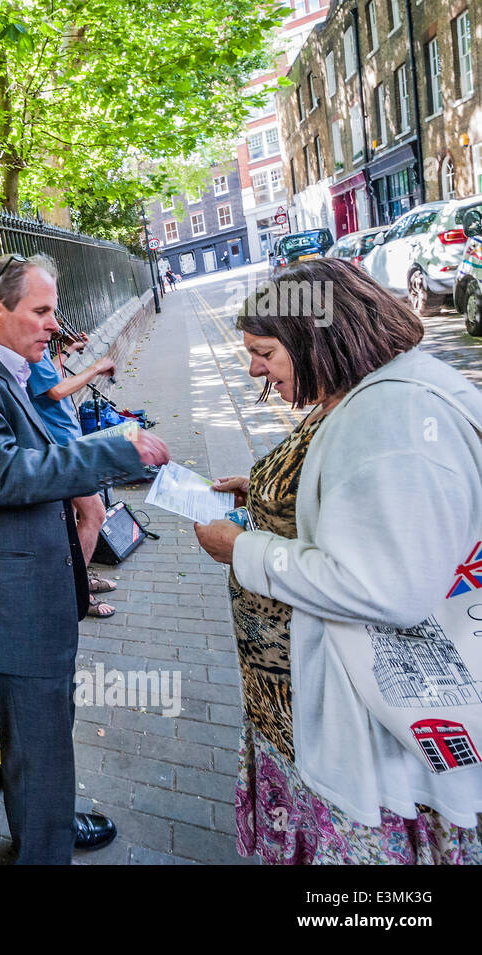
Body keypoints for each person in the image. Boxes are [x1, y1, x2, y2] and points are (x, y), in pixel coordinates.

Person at [193, 258, 482, 863]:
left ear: (318, 338)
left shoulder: (394, 422)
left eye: (265, 352)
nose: (255, 370)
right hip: (318, 699)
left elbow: (383, 584)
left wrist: (242, 548)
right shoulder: (364, 394)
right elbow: (363, 507)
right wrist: (269, 496)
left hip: (374, 726)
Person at [0, 252, 170, 863]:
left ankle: (50, 821)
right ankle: (45, 846)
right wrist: (116, 448)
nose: (52, 324)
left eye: (53, 311)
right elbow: (4, 475)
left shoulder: (6, 373)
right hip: (9, 609)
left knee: (44, 740)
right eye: (40, 311)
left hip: (31, 597)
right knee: (37, 740)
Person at [27, 336, 122, 617]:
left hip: (65, 444)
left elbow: (46, 379)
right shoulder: (24, 347)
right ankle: (76, 589)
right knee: (95, 514)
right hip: (60, 449)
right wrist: (95, 367)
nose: (55, 325)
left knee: (71, 522)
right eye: (43, 311)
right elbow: (55, 391)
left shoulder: (35, 348)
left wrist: (67, 352)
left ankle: (77, 579)